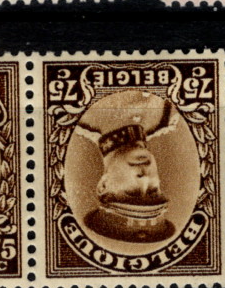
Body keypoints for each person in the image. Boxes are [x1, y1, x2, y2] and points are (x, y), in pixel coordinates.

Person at [74, 91, 179, 244]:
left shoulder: (77, 117)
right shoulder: (167, 117)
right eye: (153, 190)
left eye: (132, 192)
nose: (144, 178)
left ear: (104, 185)